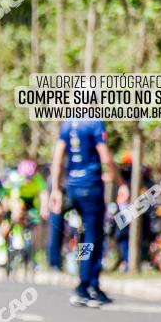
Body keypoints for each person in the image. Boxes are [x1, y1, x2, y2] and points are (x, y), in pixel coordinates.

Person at [49, 120, 126, 307]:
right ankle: (86, 285)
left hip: (72, 188)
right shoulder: (94, 123)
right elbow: (106, 158)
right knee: (93, 239)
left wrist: (55, 189)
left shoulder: (68, 124)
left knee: (84, 238)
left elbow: (58, 159)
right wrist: (121, 182)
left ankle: (84, 280)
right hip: (90, 188)